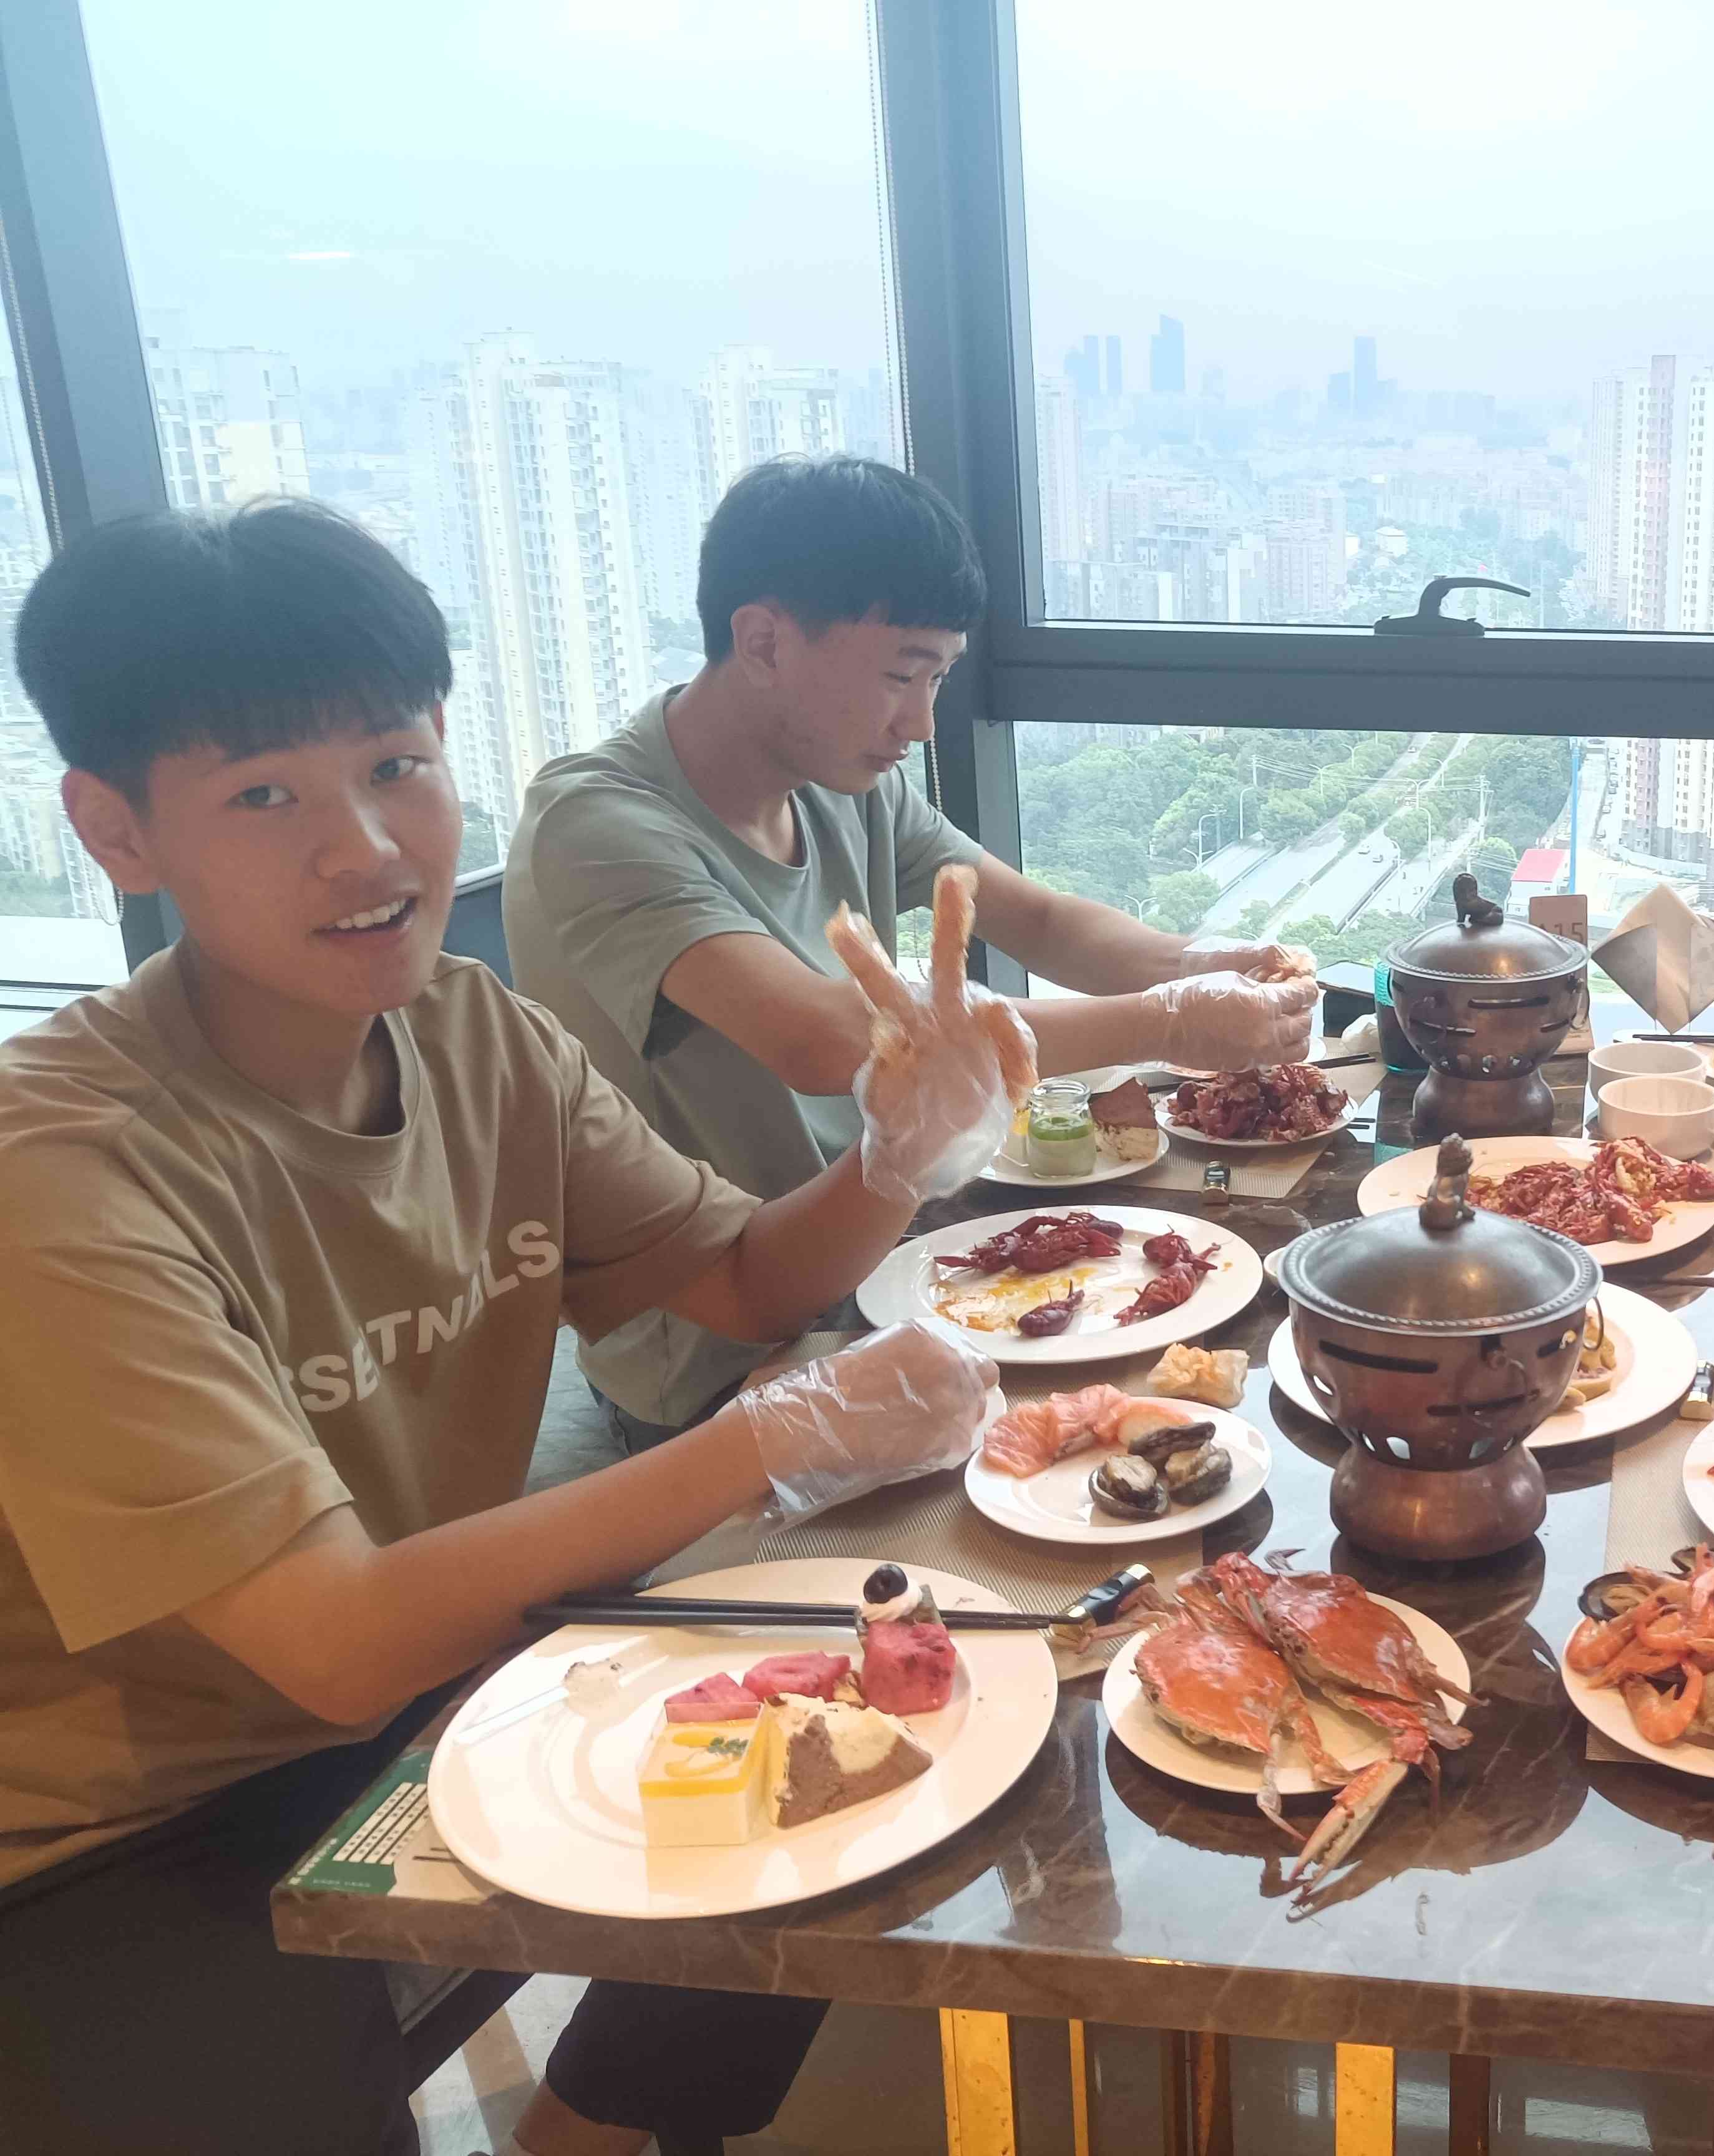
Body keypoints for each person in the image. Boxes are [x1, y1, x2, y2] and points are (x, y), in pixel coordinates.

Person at [0, 499, 1025, 2156]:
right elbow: (334, 1642)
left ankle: (584, 2131)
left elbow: (746, 1279)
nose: (367, 850)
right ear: (115, 832)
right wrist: (764, 1440)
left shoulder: (477, 1035)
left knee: (869, 1755)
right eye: (264, 795)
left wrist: (899, 1158)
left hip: (420, 1675)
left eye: (395, 765)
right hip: (122, 1825)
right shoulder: (57, 1170)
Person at [509, 454, 1318, 1446]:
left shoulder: (841, 782)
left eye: (938, 679)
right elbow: (827, 1040)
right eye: (901, 675)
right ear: (762, 642)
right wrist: (1167, 1024)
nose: (923, 722)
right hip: (722, 1357)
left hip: (885, 1255)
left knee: (1208, 1381)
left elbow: (1042, 922)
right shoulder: (597, 825)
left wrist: (1200, 964)